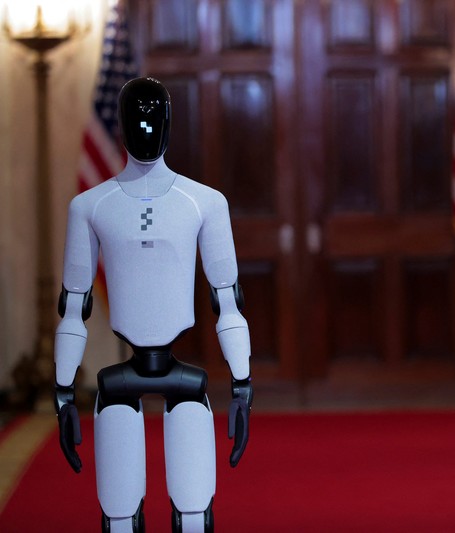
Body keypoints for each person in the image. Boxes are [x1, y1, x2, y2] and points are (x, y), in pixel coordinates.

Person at [54, 77, 252, 532]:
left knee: (194, 510)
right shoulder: (89, 206)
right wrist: (63, 393)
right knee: (119, 515)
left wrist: (242, 385)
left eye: (152, 117)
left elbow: (228, 299)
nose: (146, 127)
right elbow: (74, 306)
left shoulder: (205, 203)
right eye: (138, 118)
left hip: (175, 382)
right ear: (123, 126)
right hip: (124, 385)